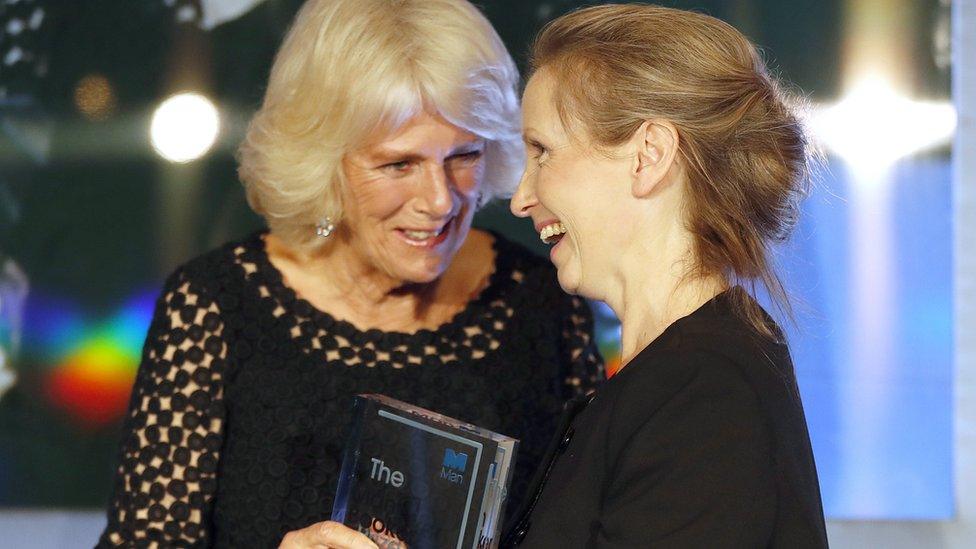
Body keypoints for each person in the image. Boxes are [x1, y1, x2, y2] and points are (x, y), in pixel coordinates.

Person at [96, 0, 603, 547]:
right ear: (322, 159)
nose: (438, 200)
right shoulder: (217, 305)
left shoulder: (541, 300)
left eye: (464, 155)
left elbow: (598, 525)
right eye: (398, 164)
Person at [502, 4, 828, 547]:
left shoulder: (704, 393)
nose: (520, 198)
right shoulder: (679, 377)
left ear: (648, 156)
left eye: (543, 152)